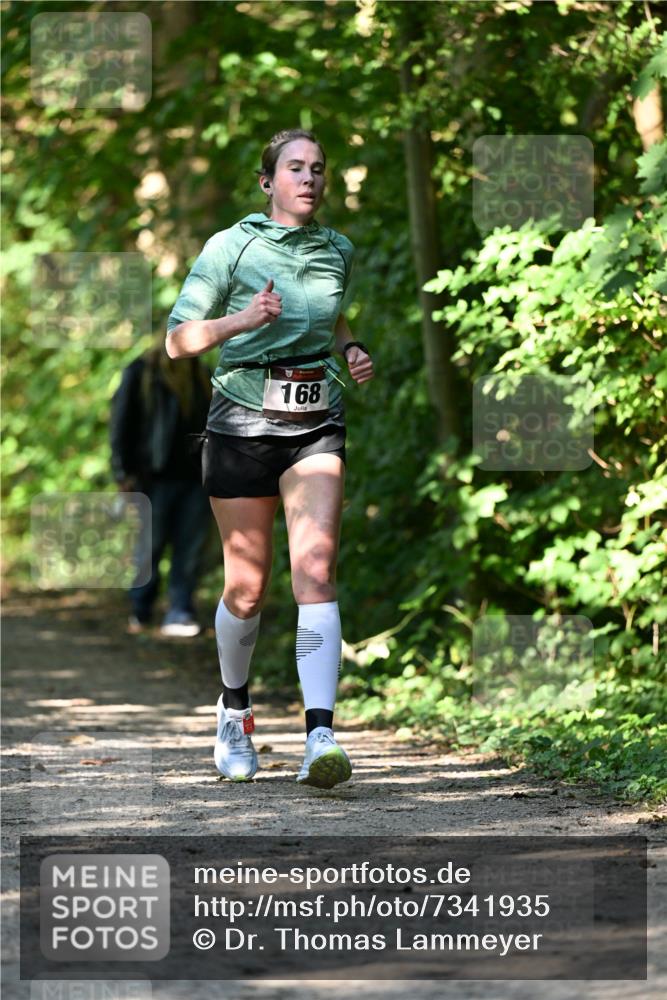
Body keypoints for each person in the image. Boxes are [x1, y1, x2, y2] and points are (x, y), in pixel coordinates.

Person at [165, 128, 374, 788]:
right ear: (268, 182)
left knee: (314, 568)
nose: (309, 178)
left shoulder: (336, 249)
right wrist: (240, 321)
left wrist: (347, 349)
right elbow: (177, 340)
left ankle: (320, 736)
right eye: (294, 168)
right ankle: (233, 713)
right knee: (247, 590)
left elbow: (331, 315)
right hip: (240, 424)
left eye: (317, 168)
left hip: (315, 425)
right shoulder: (232, 246)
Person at [110, 333, 212, 637]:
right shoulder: (140, 372)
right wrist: (122, 472)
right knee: (149, 547)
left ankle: (180, 611)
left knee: (189, 550)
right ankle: (141, 608)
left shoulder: (200, 373)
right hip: (151, 478)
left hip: (195, 478)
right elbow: (121, 424)